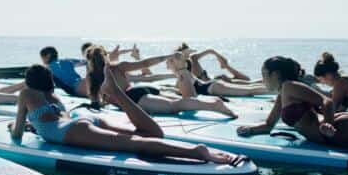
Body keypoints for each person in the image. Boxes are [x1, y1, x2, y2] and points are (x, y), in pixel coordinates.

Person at [10, 62, 240, 165]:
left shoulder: (25, 94)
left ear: (29, 82)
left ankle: (197, 152)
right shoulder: (55, 97)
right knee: (151, 134)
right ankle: (118, 94)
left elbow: (17, 133)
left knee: (132, 144)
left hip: (73, 129)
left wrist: (16, 127)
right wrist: (37, 125)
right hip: (82, 121)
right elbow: (52, 118)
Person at [86, 46, 237, 117]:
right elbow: (145, 63)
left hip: (134, 98)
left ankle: (214, 105)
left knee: (175, 106)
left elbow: (96, 103)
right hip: (140, 90)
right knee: (183, 100)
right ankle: (213, 101)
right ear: (105, 56)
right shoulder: (118, 66)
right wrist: (167, 56)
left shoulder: (93, 77)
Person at [168, 51, 265, 99]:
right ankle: (272, 88)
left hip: (212, 88)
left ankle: (273, 90)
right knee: (250, 87)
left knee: (249, 90)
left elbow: (184, 94)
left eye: (170, 64)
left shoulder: (183, 76)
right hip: (212, 85)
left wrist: (167, 90)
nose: (168, 67)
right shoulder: (186, 74)